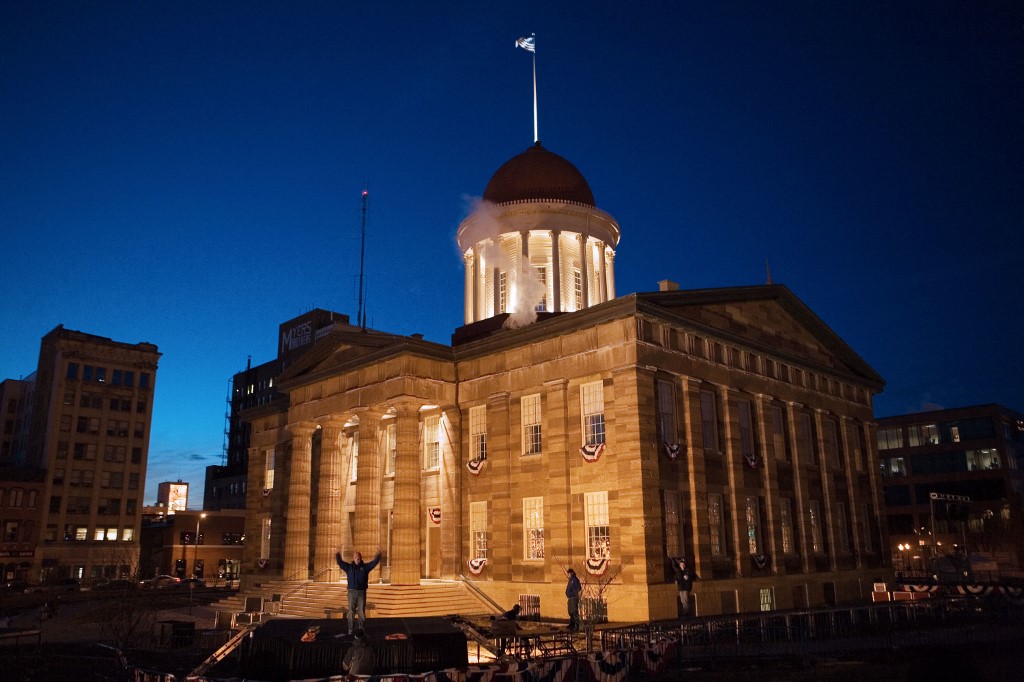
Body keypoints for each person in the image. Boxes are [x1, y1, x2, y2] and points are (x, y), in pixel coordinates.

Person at [335, 548, 382, 634]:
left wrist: (378, 555)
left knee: (361, 612)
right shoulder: (349, 567)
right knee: (351, 612)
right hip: (351, 592)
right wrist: (337, 554)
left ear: (361, 558)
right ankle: (350, 629)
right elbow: (340, 563)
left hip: (361, 593)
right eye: (356, 556)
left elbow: (373, 563)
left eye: (358, 556)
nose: (357, 557)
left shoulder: (365, 567)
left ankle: (361, 629)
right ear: (353, 558)